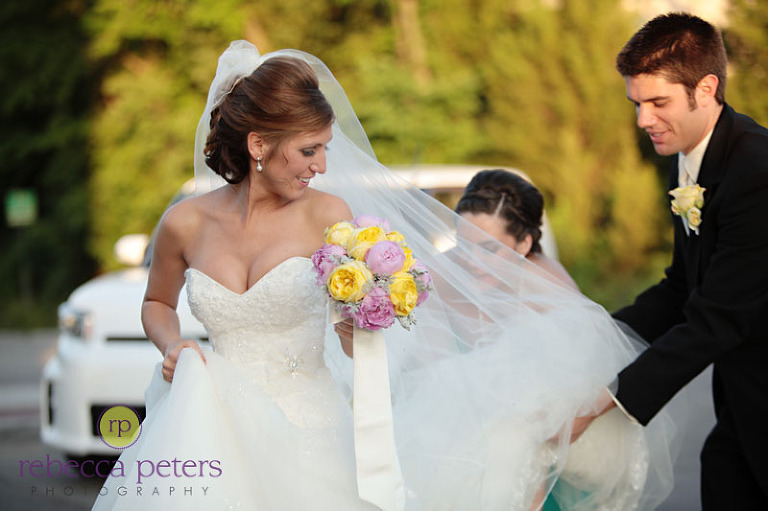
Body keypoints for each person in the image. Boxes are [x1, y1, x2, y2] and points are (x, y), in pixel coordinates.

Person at [93, 41, 680, 511]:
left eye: (325, 148)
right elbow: (157, 304)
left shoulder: (330, 216)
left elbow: (356, 334)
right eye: (309, 151)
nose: (322, 165)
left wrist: (360, 329)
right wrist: (173, 345)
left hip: (308, 426)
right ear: (258, 145)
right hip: (208, 415)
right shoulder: (184, 223)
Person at [571, 12, 768, 510]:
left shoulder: (756, 170)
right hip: (743, 400)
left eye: (659, 103)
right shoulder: (690, 158)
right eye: (637, 104)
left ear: (706, 88)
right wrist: (593, 337)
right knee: (722, 473)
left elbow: (716, 317)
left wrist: (605, 399)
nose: (644, 121)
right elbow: (682, 287)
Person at [455, 169, 578, 292]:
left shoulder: (549, 289)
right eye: (463, 246)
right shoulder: (448, 268)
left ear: (524, 243)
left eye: (488, 249)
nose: (471, 262)